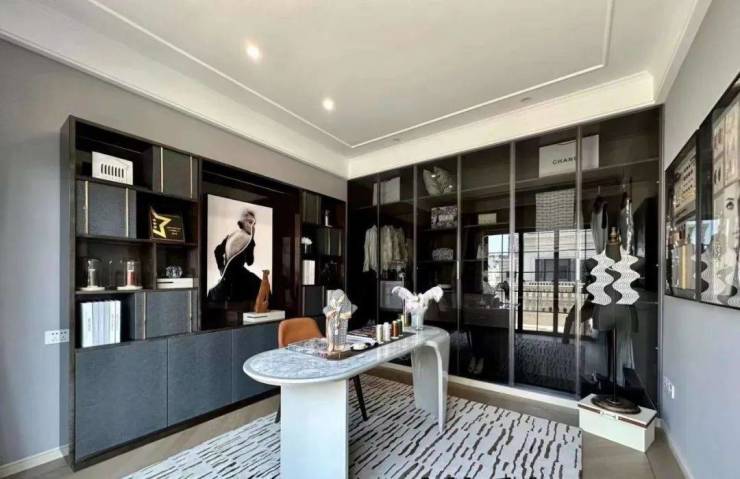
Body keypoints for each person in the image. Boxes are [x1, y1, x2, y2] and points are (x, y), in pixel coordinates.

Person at [207, 208, 263, 303]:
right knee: (258, 286)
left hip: (238, 273)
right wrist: (221, 268)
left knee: (260, 285)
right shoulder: (234, 237)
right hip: (232, 275)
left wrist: (252, 240)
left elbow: (249, 262)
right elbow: (218, 251)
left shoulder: (244, 238)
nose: (252, 226)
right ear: (242, 223)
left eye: (254, 224)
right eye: (250, 222)